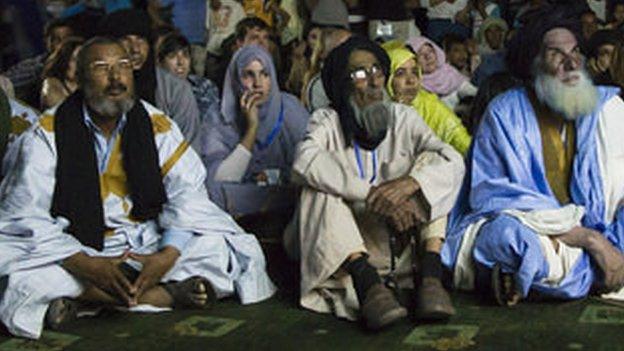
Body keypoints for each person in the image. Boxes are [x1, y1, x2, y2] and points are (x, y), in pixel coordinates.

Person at [0, 36, 275, 340]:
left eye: (123, 67)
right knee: (21, 271)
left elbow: (188, 196)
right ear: (79, 78)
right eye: (102, 68)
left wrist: (166, 256)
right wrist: (88, 265)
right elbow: (26, 217)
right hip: (74, 246)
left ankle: (86, 299)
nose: (116, 78)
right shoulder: (47, 134)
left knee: (222, 249)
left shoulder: (156, 124)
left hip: (146, 244)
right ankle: (163, 296)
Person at [442, 4, 624, 307]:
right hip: (535, 231)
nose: (571, 63)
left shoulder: (605, 108)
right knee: (504, 238)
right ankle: (580, 269)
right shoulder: (505, 112)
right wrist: (589, 240)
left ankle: (549, 274)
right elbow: (495, 196)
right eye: (556, 54)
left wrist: (599, 234)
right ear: (535, 63)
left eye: (575, 51)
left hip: (596, 228)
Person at [284, 36, 464, 330]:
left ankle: (431, 279)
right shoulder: (326, 120)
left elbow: (452, 159)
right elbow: (304, 160)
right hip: (344, 252)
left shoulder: (402, 116)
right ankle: (369, 288)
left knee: (434, 167)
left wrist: (409, 185)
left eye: (378, 71)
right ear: (343, 83)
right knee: (316, 186)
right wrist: (372, 194)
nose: (373, 81)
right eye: (359, 74)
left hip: (397, 242)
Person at [201, 45, 309, 216]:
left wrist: (275, 177)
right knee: (214, 192)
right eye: (248, 75)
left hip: (287, 203)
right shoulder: (218, 116)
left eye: (264, 74)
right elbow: (218, 180)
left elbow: (311, 168)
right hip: (246, 201)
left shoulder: (289, 108)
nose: (258, 84)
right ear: (236, 80)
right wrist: (252, 129)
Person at [98, 9, 202, 151]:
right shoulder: (97, 89)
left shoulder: (175, 90)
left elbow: (187, 150)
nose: (135, 49)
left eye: (141, 39)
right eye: (125, 40)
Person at [383, 41, 471, 154]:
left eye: (415, 72)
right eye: (400, 73)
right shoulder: (376, 111)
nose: (411, 80)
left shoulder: (430, 106)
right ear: (387, 79)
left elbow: (459, 137)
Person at [157, 33, 221, 126]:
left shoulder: (204, 86)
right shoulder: (156, 90)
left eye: (185, 55)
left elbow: (211, 124)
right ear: (160, 63)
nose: (180, 62)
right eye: (172, 56)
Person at [407, 36, 477, 111]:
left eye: (430, 51)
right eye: (420, 54)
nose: (428, 57)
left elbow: (473, 92)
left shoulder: (448, 73)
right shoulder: (413, 85)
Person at [41, 37, 84, 109]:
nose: (80, 65)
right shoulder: (50, 84)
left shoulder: (88, 86)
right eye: (74, 60)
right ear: (64, 61)